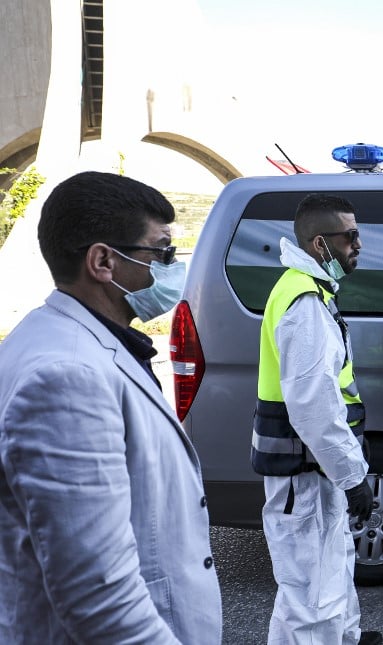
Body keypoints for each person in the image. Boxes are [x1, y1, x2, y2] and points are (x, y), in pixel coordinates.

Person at [0, 171, 222, 643]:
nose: (171, 268)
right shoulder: (66, 376)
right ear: (103, 261)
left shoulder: (66, 340)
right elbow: (98, 593)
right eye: (161, 252)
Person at [251, 194, 383, 644]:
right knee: (311, 594)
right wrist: (352, 477)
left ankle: (346, 637)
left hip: (313, 471)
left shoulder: (310, 289)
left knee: (334, 565)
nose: (360, 244)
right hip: (305, 476)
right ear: (321, 243)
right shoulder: (305, 302)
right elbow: (314, 407)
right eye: (351, 236)